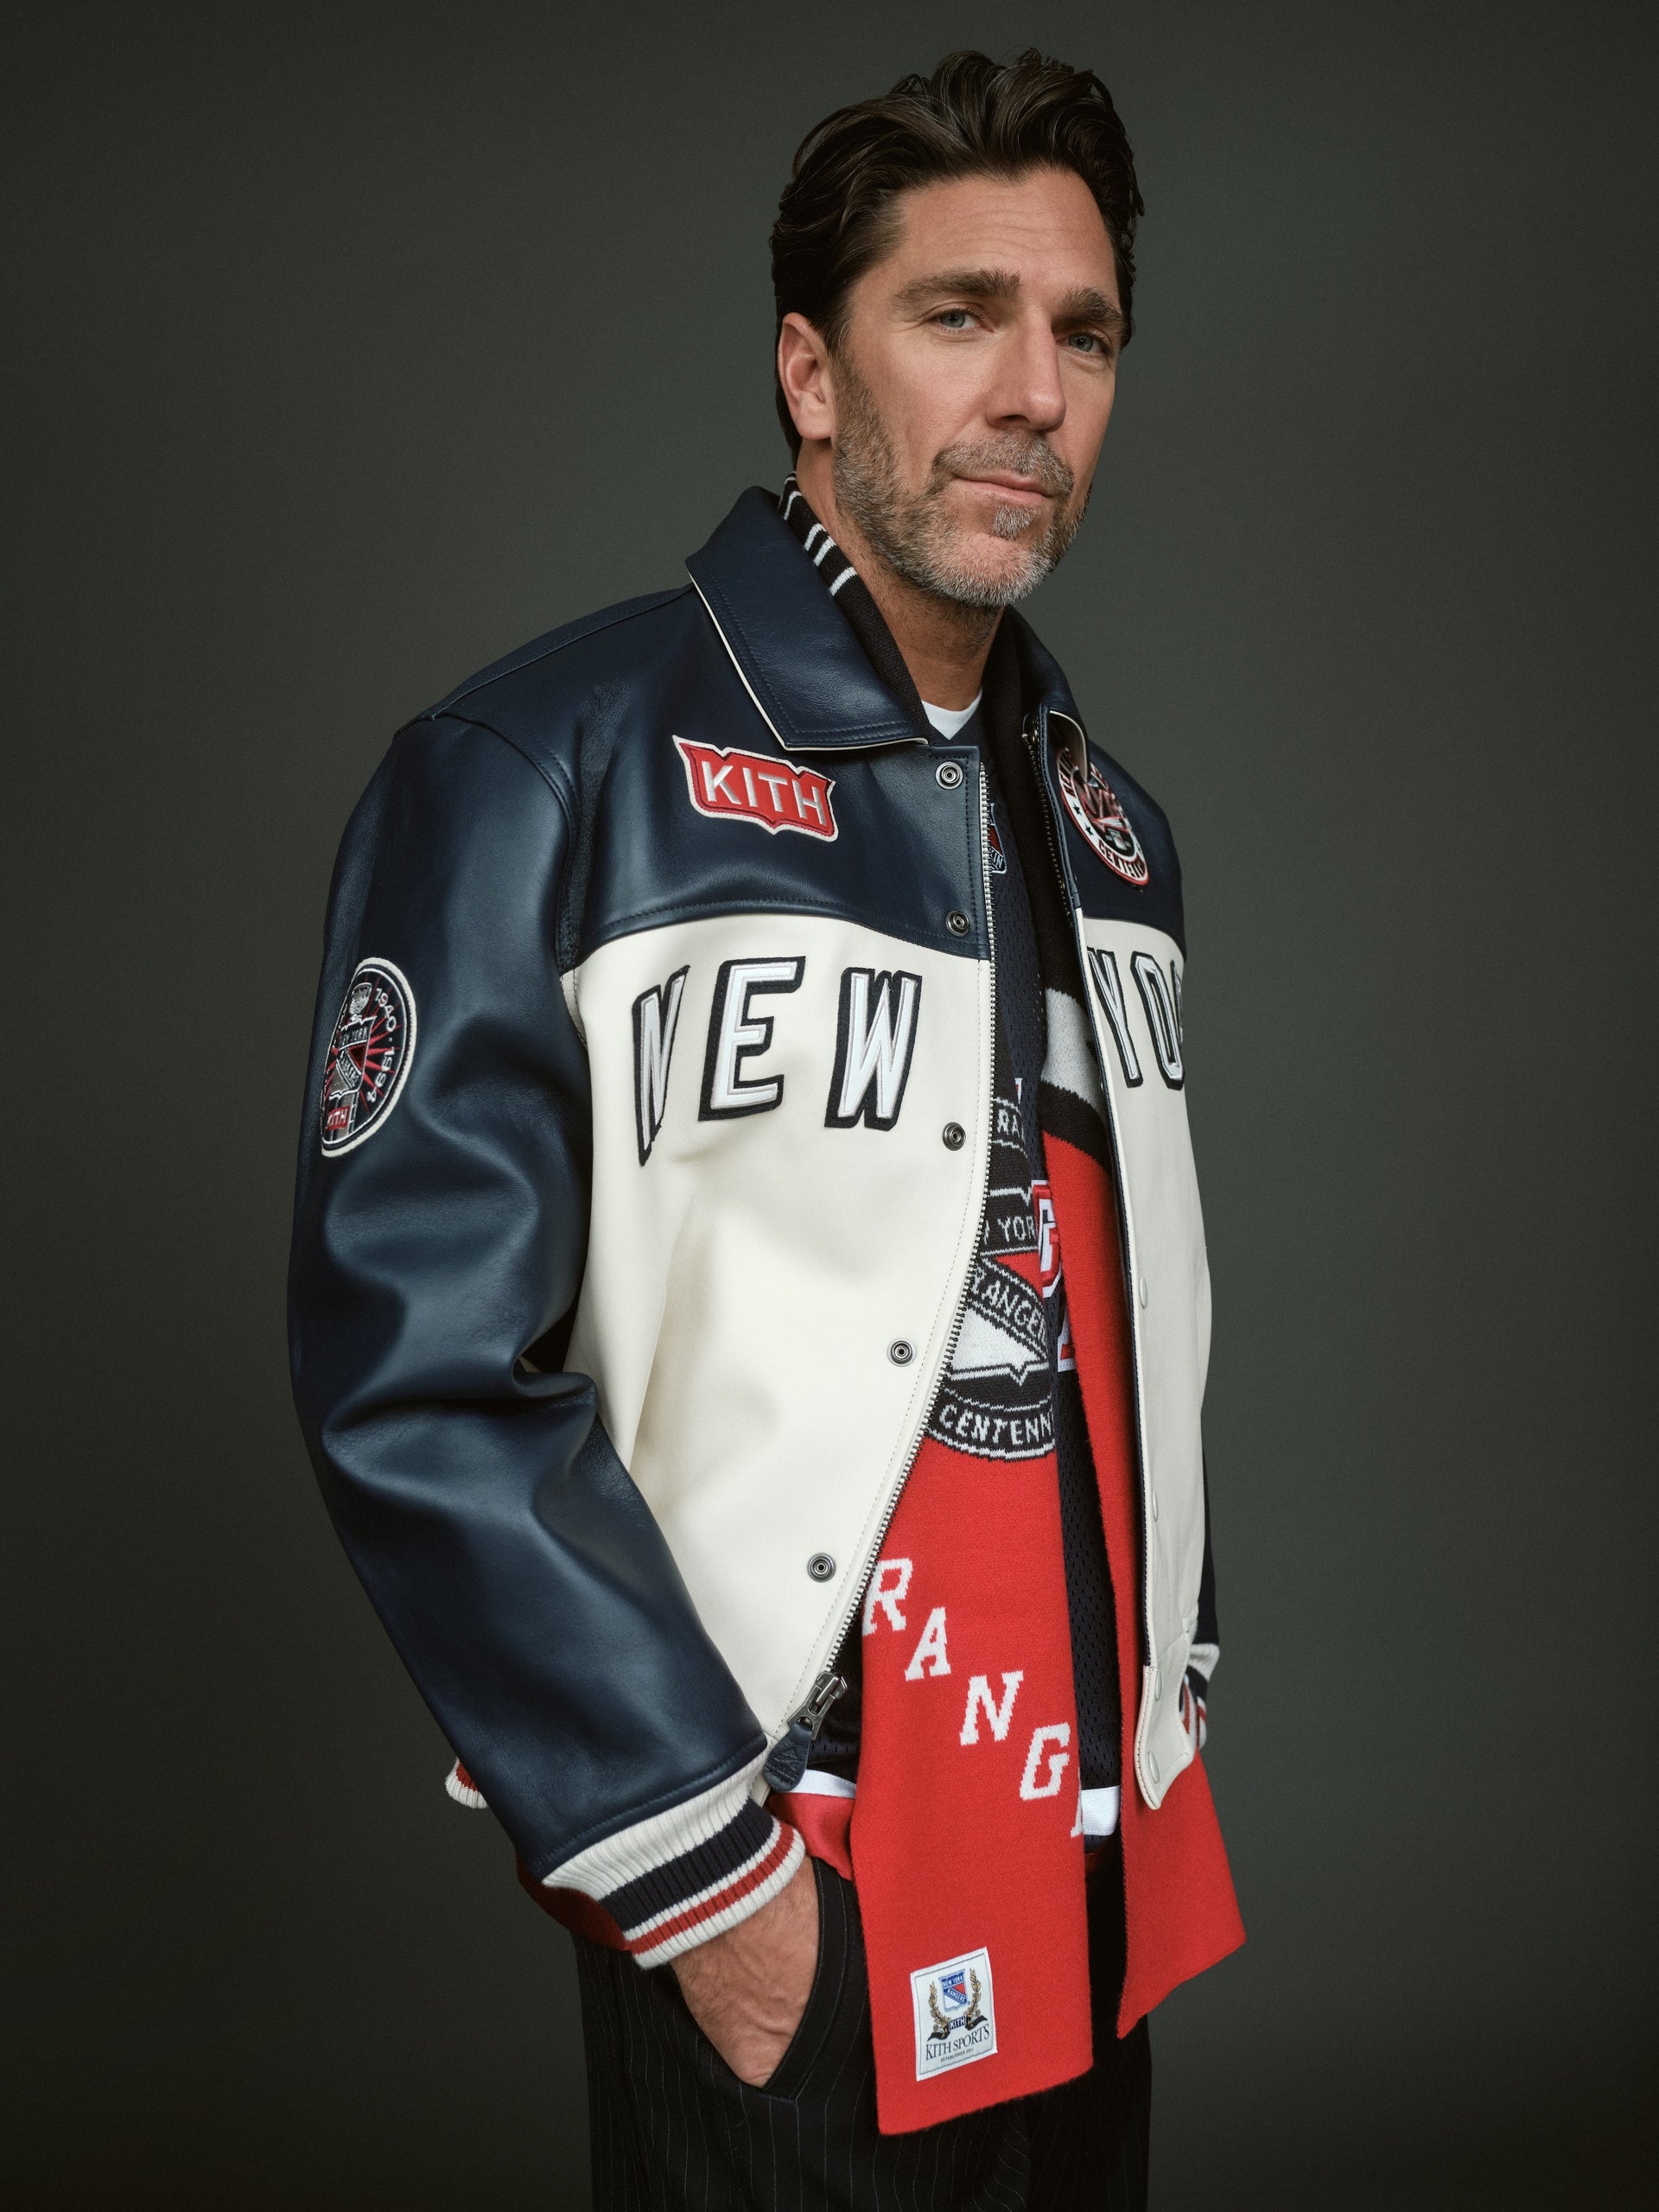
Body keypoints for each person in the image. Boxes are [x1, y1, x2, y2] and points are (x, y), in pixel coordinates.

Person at [289, 48, 1243, 2209]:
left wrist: (1177, 1674)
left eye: (1084, 334)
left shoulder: (1115, 829)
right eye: (957, 315)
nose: (1034, 393)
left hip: (1091, 1869)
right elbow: (409, 1365)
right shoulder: (547, 761)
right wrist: (710, 1894)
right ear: (811, 372)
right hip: (786, 1890)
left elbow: (1136, 1314)